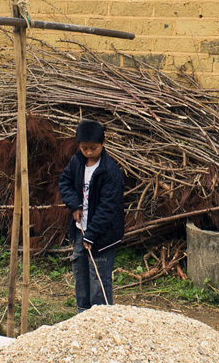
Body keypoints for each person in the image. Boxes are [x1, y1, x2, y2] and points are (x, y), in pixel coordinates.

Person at [58, 119, 126, 310]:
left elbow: (108, 207)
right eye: (84, 148)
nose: (88, 152)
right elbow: (65, 181)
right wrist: (74, 205)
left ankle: (101, 318)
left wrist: (93, 234)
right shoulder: (77, 162)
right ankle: (83, 316)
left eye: (93, 148)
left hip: (102, 235)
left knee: (99, 279)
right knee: (80, 273)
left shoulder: (110, 172)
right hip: (81, 228)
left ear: (103, 144)